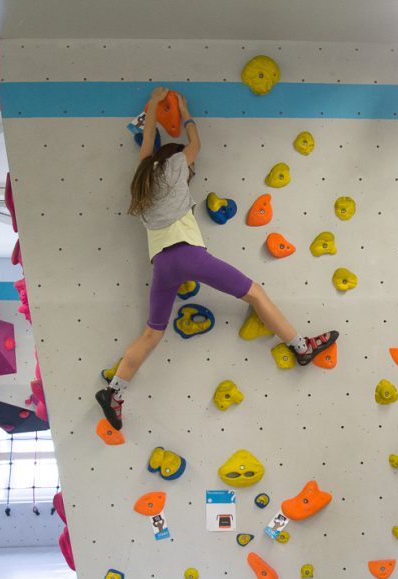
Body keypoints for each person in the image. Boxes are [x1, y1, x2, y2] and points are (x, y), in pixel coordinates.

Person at [95, 87, 337, 430]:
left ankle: (115, 390)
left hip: (162, 265)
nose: (191, 174)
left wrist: (152, 107)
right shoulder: (177, 164)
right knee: (254, 292)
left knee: (152, 333)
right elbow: (195, 145)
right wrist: (186, 111)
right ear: (178, 162)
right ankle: (301, 346)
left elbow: (147, 137)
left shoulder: (143, 175)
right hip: (189, 255)